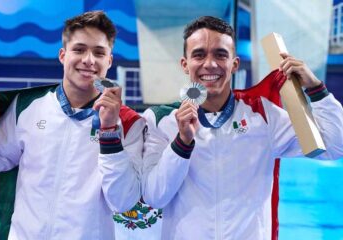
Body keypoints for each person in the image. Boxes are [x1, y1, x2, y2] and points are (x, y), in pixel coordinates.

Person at [0, 11, 145, 239]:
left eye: (98, 52)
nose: (89, 60)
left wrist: (109, 133)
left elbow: (124, 201)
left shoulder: (128, 123)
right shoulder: (27, 106)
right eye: (79, 49)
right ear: (62, 55)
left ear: (109, 61)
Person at [141, 16, 343, 239]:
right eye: (199, 54)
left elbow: (335, 147)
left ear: (234, 64)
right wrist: (181, 143)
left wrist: (316, 89)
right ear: (185, 64)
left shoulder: (264, 116)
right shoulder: (160, 120)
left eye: (220, 54)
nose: (210, 64)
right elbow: (154, 196)